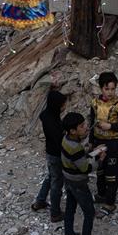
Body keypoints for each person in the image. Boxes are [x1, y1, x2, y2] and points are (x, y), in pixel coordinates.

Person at [60, 112, 105, 235]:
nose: (86, 127)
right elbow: (85, 168)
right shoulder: (75, 147)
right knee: (89, 212)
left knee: (70, 207)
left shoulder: (66, 139)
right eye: (81, 126)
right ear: (73, 130)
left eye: (85, 124)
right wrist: (100, 160)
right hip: (78, 183)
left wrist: (90, 151)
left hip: (68, 179)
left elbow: (76, 158)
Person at [88, 72, 118, 213]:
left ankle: (110, 203)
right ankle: (101, 195)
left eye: (113, 89)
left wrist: (111, 126)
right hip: (98, 142)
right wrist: (91, 142)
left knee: (111, 174)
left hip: (113, 144)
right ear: (101, 88)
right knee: (100, 170)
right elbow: (91, 123)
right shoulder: (95, 103)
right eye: (107, 89)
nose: (110, 92)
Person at [31, 90, 68, 221]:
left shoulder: (47, 115)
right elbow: (59, 140)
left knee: (50, 176)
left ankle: (40, 201)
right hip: (56, 154)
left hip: (50, 152)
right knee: (57, 183)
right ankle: (55, 213)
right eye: (62, 104)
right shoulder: (53, 121)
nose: (64, 107)